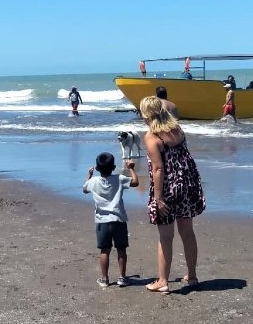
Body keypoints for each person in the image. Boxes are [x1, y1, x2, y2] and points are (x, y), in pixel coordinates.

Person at [139, 96, 206, 294]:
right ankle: (192, 276)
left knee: (165, 237)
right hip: (186, 184)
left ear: (146, 115)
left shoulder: (152, 137)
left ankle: (163, 281)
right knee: (187, 233)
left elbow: (158, 169)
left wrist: (158, 198)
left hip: (167, 189)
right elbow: (172, 108)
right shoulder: (177, 129)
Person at [83, 152, 139, 288]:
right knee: (121, 249)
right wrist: (131, 168)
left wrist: (89, 175)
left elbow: (85, 189)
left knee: (104, 250)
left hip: (102, 221)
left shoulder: (93, 181)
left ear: (97, 168)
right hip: (118, 219)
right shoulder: (119, 178)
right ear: (114, 167)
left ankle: (105, 279)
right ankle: (122, 277)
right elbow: (135, 182)